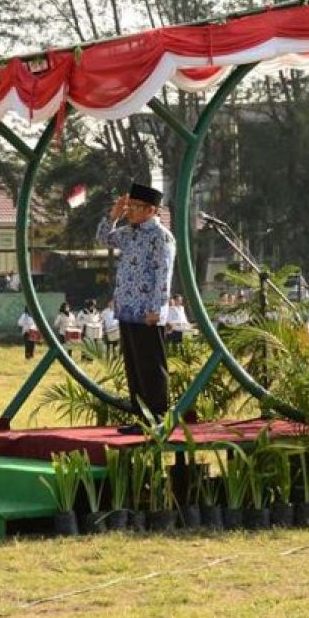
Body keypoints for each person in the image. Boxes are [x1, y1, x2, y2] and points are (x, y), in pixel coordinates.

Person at [97, 183, 176, 434]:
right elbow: (102, 239)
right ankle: (140, 417)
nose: (130, 211)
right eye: (129, 206)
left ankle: (158, 417)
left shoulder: (160, 236)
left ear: (151, 210)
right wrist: (114, 214)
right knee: (133, 365)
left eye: (135, 207)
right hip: (127, 308)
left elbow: (163, 274)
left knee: (151, 365)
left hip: (148, 311)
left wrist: (157, 308)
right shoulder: (129, 232)